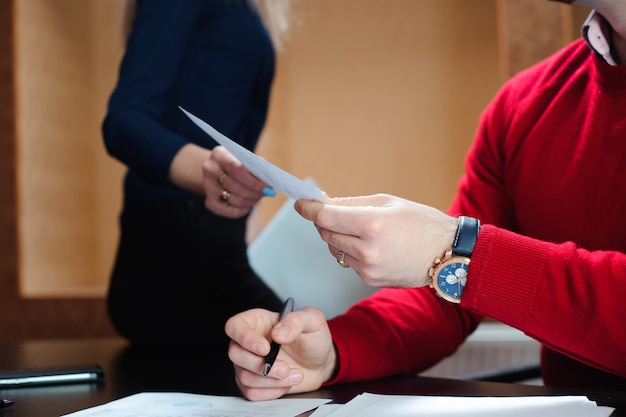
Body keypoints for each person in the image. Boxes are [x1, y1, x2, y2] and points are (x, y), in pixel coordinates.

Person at [224, 0, 626, 401]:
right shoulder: (524, 104)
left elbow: (464, 266)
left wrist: (456, 248)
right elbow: (451, 293)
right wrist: (333, 351)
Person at [102, 0, 294, 353]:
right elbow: (123, 121)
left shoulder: (247, 10)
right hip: (172, 260)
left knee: (308, 336)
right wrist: (211, 174)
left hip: (223, 245)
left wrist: (245, 214)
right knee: (299, 345)